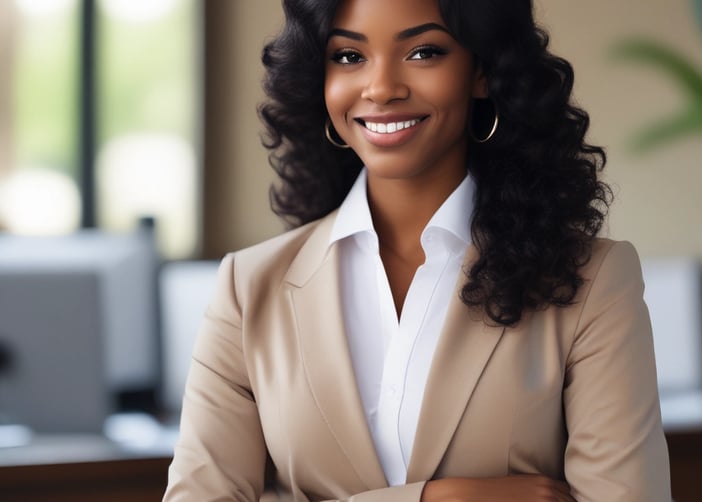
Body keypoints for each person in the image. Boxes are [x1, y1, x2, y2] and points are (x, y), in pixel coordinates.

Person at [164, 0, 671, 500]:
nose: (382, 87)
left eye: (424, 52)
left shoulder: (593, 281)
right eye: (348, 56)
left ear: (482, 71)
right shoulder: (248, 288)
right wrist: (435, 499)